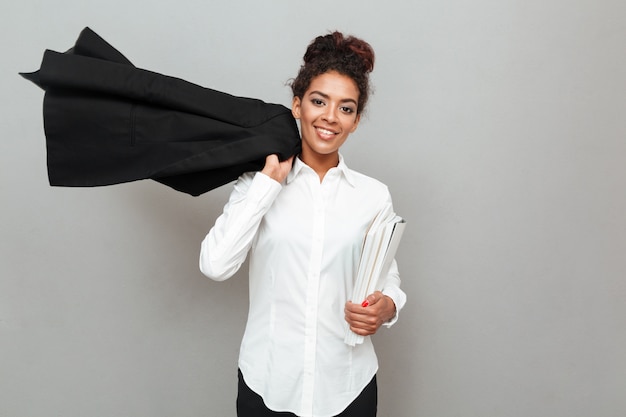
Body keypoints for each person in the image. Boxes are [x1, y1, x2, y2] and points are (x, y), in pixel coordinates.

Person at [199, 31, 406, 417]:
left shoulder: (373, 196)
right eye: (318, 101)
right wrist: (266, 186)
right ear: (297, 106)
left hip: (346, 386)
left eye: (346, 108)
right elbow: (215, 265)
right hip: (268, 383)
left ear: (356, 121)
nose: (330, 117)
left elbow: (385, 276)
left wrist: (388, 305)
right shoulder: (258, 183)